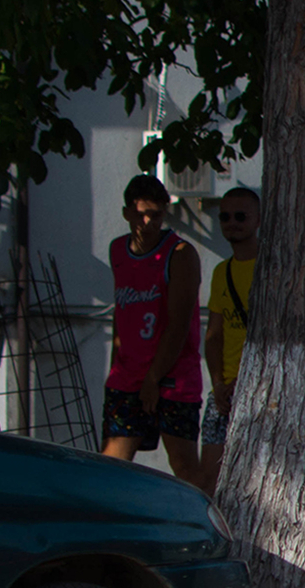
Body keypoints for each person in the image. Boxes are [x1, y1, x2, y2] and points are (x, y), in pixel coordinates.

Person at [101, 173, 204, 476]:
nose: (147, 223)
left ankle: (194, 521)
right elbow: (121, 314)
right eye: (141, 215)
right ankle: (110, 520)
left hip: (172, 376)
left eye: (155, 215)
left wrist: (154, 378)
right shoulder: (118, 250)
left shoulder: (180, 254)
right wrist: (116, 369)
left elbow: (179, 323)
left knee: (183, 465)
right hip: (127, 375)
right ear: (126, 213)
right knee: (112, 463)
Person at [195, 185, 259, 491]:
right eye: (224, 217)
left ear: (258, 220)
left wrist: (242, 383)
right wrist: (219, 385)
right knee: (208, 480)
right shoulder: (222, 271)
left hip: (260, 390)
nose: (231, 222)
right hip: (225, 395)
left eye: (240, 216)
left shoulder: (271, 269)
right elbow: (214, 336)